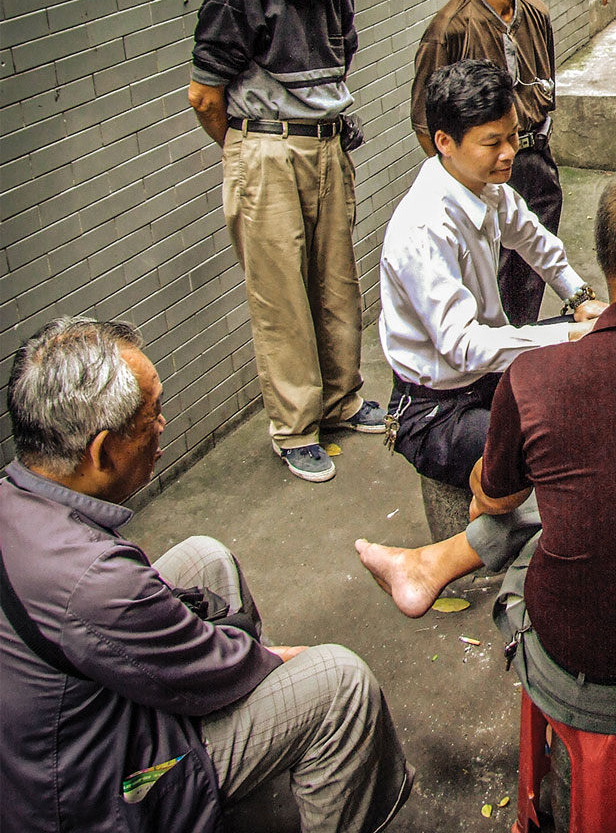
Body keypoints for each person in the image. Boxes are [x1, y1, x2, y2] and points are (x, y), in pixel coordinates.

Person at [357, 155, 616, 734]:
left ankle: (437, 562)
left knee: (559, 494)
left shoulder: (534, 381)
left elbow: (495, 498)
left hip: (583, 673)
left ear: (605, 262)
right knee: (597, 484)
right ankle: (432, 565)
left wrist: (498, 466)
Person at [0, 318, 412, 833]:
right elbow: (215, 671)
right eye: (150, 418)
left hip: (60, 743)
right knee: (340, 684)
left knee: (204, 557)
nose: (161, 426)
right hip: (104, 795)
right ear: (102, 451)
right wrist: (272, 661)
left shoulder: (18, 501)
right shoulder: (94, 579)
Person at [188, 0, 385, 483]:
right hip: (268, 152)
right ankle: (295, 428)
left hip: (327, 148)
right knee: (281, 299)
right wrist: (251, 151)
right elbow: (204, 96)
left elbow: (336, 69)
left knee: (336, 285)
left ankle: (341, 401)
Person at [381, 59, 605, 547]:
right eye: (493, 143)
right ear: (445, 142)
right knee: (554, 446)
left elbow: (535, 239)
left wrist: (582, 300)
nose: (509, 154)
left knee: (594, 379)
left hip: (487, 378)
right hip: (436, 409)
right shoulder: (424, 228)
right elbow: (463, 347)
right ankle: (484, 539)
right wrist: (568, 333)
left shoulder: (486, 187)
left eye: (513, 137)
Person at [410, 0, 562, 326]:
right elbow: (427, 125)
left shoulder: (537, 14)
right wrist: (467, 180)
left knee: (532, 273)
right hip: (479, 176)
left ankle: (522, 358)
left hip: (535, 164)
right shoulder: (449, 29)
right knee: (483, 284)